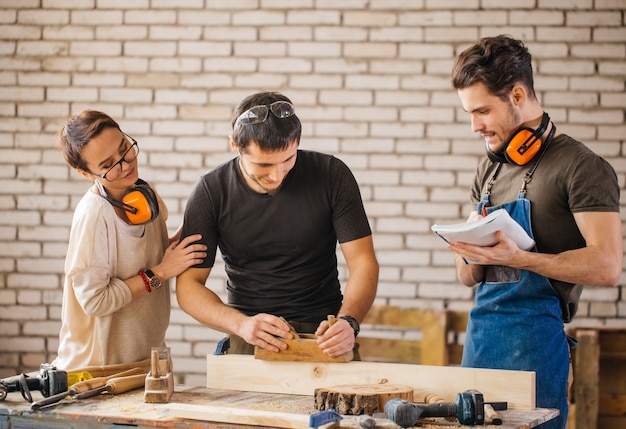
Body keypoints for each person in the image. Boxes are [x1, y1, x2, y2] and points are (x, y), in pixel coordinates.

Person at [449, 35, 622, 429]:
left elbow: (609, 267)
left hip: (535, 349)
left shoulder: (581, 167)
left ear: (517, 93)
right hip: (480, 342)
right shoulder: (489, 169)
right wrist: (468, 250)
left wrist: (520, 258)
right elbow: (466, 279)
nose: (475, 126)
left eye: (482, 111)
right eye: (469, 113)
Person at [176, 91, 379, 358]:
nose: (276, 175)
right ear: (235, 146)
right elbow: (188, 285)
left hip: (325, 336)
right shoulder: (211, 192)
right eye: (263, 165)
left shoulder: (332, 175)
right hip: (250, 338)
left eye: (288, 160)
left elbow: (364, 262)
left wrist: (348, 322)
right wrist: (241, 324)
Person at [53, 110, 207, 370]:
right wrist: (160, 272)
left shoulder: (143, 193)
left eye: (125, 148)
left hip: (144, 360)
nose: (125, 164)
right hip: (98, 371)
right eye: (108, 165)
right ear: (86, 173)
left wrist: (201, 219)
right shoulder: (94, 216)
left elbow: (150, 255)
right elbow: (95, 301)